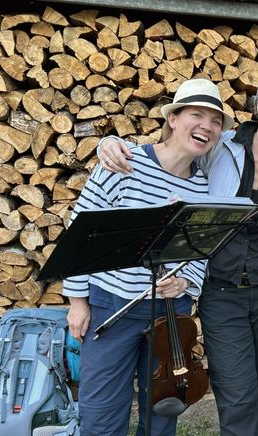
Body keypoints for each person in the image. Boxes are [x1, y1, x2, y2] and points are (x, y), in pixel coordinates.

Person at [96, 69, 258, 436]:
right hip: (221, 291)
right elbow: (168, 151)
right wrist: (106, 143)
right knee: (237, 395)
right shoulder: (221, 146)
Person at [63, 78, 231, 436]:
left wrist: (187, 282)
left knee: (162, 410)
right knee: (101, 412)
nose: (207, 126)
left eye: (215, 121)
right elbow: (81, 233)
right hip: (112, 305)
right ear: (173, 119)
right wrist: (77, 300)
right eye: (196, 115)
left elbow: (201, 249)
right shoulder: (124, 162)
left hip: (170, 312)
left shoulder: (204, 185)